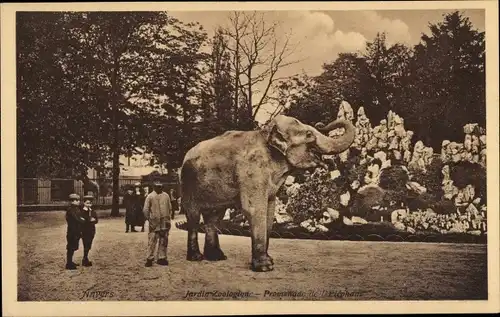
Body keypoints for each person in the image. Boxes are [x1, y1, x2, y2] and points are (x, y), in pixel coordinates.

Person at [143, 182, 172, 267]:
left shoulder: (166, 196)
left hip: (164, 222)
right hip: (154, 223)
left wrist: (167, 219)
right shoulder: (150, 196)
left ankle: (162, 258)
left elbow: (169, 208)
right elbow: (146, 210)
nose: (159, 188)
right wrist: (150, 219)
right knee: (152, 241)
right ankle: (149, 258)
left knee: (164, 240)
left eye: (161, 186)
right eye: (157, 186)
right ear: (154, 187)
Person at [65, 193, 85, 270]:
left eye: (78, 200)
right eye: (76, 200)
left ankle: (70, 261)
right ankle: (69, 263)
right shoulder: (71, 210)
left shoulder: (76, 209)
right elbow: (78, 219)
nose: (78, 201)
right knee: (71, 247)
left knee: (73, 246)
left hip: (76, 230)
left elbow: (80, 217)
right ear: (71, 202)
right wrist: (82, 220)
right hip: (72, 231)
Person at [80, 194, 98, 266]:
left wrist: (92, 220)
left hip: (91, 230)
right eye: (87, 203)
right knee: (86, 244)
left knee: (89, 244)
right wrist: (89, 220)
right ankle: (85, 259)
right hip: (84, 230)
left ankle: (86, 257)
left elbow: (96, 220)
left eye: (90, 203)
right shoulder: (82, 211)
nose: (89, 204)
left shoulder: (93, 211)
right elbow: (82, 220)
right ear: (84, 203)